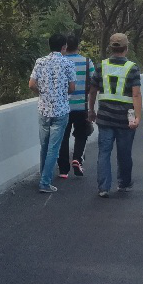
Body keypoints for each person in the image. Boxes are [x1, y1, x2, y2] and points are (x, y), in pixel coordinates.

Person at [86, 33, 142, 198]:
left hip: (105, 118)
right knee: (124, 153)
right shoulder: (132, 68)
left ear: (110, 48)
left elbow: (92, 91)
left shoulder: (101, 66)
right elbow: (136, 94)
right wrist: (138, 117)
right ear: (126, 48)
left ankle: (103, 187)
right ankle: (124, 184)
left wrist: (91, 110)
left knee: (104, 152)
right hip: (125, 119)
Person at [29, 33, 76, 193]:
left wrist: (42, 93)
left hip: (43, 109)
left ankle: (43, 177)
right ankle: (45, 182)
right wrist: (61, 94)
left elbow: (31, 84)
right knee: (53, 148)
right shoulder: (68, 64)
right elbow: (72, 88)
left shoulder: (40, 62)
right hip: (60, 110)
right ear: (64, 47)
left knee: (44, 146)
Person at [58, 34, 95, 179]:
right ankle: (77, 159)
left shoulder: (61, 62)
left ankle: (63, 169)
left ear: (65, 46)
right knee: (81, 134)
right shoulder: (87, 62)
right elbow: (94, 83)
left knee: (63, 137)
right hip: (81, 106)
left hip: (63, 107)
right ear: (78, 46)